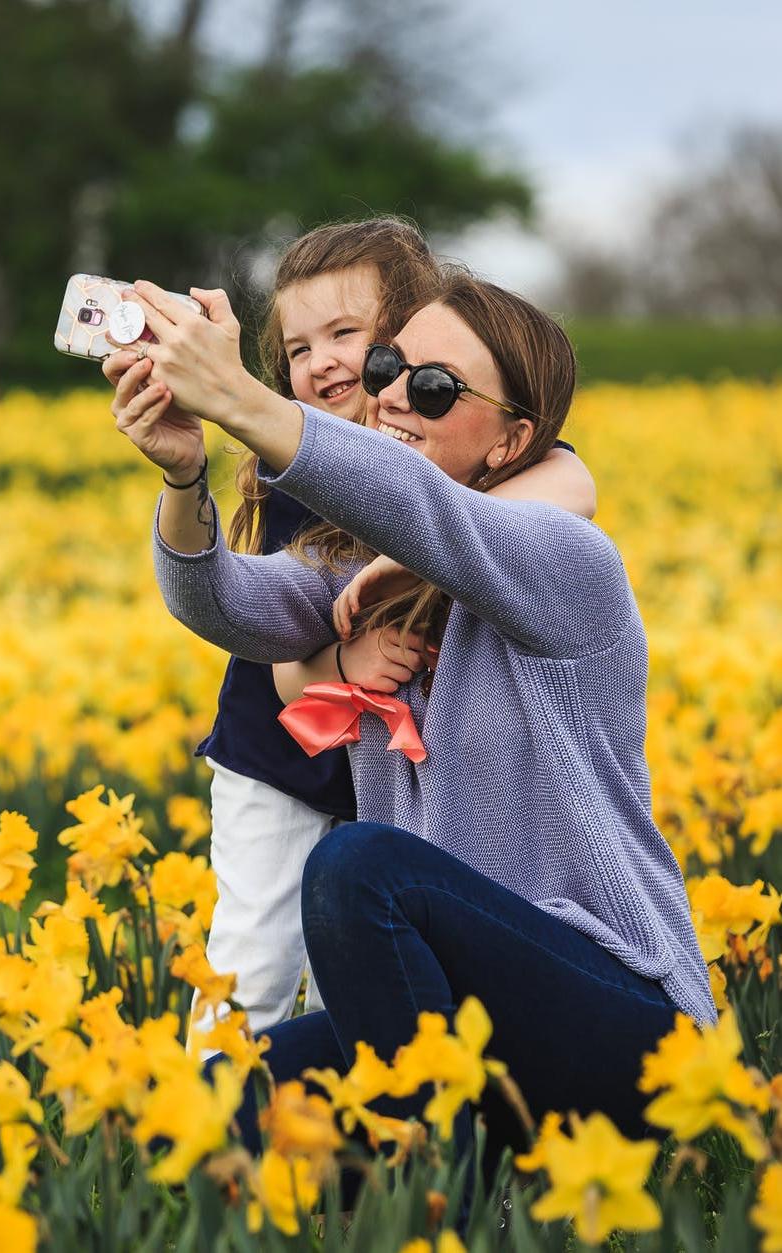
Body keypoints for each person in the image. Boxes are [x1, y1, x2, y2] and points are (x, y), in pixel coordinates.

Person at [107, 265, 715, 1177]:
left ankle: (440, 1202)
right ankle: (460, 1159)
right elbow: (221, 603)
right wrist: (183, 471)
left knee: (358, 867)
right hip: (465, 1025)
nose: (391, 395)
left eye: (433, 387)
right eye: (390, 366)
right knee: (198, 1120)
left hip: (628, 1026)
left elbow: (426, 510)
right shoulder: (362, 576)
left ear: (512, 439)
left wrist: (236, 397)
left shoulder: (567, 561)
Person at [103, 221, 597, 1046]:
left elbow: (570, 484)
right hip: (283, 753)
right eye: (298, 349)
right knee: (254, 965)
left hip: (399, 768)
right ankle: (210, 1105)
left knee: (368, 974)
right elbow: (278, 656)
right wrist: (344, 655)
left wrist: (419, 552)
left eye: (344, 335)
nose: (322, 363)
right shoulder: (301, 465)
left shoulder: (470, 451)